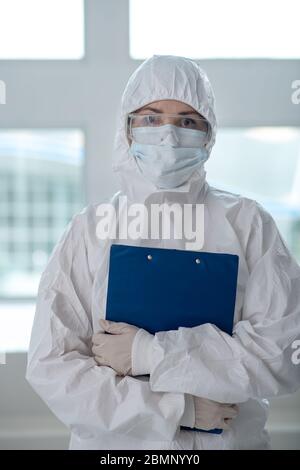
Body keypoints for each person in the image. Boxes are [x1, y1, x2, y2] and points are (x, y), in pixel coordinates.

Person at [26, 55, 300, 450]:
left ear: (209, 135)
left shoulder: (247, 224)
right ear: (127, 129)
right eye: (152, 119)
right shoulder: (90, 231)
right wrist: (175, 410)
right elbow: (53, 366)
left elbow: (281, 355)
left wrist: (148, 353)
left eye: (187, 121)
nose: (169, 137)